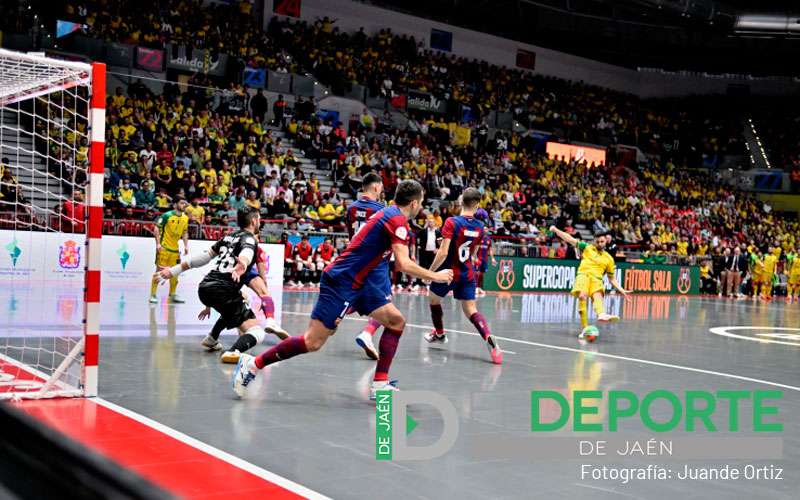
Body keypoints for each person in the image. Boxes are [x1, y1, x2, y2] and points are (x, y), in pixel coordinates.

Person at [232, 180, 454, 399]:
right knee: (313, 342)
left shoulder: (390, 214)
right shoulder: (396, 219)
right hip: (342, 281)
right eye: (422, 203)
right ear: (414, 203)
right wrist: (436, 276)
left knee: (396, 322)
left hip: (363, 283)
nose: (422, 207)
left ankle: (379, 384)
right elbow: (403, 264)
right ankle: (252, 365)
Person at [157, 207, 270, 361]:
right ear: (253, 221)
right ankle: (233, 351)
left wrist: (174, 271)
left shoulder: (228, 237)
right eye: (259, 218)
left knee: (236, 303)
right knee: (257, 332)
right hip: (223, 290)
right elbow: (247, 254)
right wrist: (241, 264)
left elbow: (205, 256)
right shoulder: (249, 238)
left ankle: (212, 338)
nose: (260, 221)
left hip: (205, 288)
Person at [423, 188, 503, 364]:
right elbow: (472, 251)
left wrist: (429, 272)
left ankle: (440, 333)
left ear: (461, 202)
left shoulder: (452, 222)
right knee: (471, 310)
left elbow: (443, 253)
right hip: (467, 273)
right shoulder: (480, 227)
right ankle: (489, 337)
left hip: (448, 273)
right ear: (477, 205)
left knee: (433, 300)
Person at [549, 227, 631, 341]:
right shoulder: (587, 247)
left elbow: (612, 278)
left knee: (597, 295)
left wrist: (621, 289)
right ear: (594, 241)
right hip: (584, 275)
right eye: (597, 241)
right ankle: (585, 327)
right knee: (582, 296)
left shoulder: (609, 259)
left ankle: (601, 314)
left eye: (602, 241)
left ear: (606, 241)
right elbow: (569, 239)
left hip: (597, 279)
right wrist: (556, 230)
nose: (599, 243)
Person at [346, 172, 386, 360]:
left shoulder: (351, 208)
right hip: (374, 262)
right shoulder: (381, 209)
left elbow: (350, 237)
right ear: (376, 187)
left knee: (356, 297)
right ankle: (367, 333)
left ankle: (335, 315)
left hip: (354, 260)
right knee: (385, 301)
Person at [149, 196, 189, 304]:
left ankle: (172, 295)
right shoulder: (166, 215)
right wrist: (158, 244)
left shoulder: (185, 218)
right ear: (175, 205)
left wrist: (186, 245)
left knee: (175, 272)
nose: (184, 205)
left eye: (185, 203)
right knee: (159, 272)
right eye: (181, 203)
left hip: (175, 250)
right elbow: (156, 228)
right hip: (164, 248)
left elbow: (185, 232)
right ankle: (153, 295)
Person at [473, 208, 496, 296]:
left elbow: (490, 249)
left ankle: (479, 288)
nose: (485, 230)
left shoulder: (489, 239)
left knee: (482, 274)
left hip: (485, 259)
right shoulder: (479, 237)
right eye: (484, 229)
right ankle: (475, 288)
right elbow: (476, 247)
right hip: (478, 258)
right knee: (476, 273)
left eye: (486, 229)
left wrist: (493, 258)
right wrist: (474, 256)